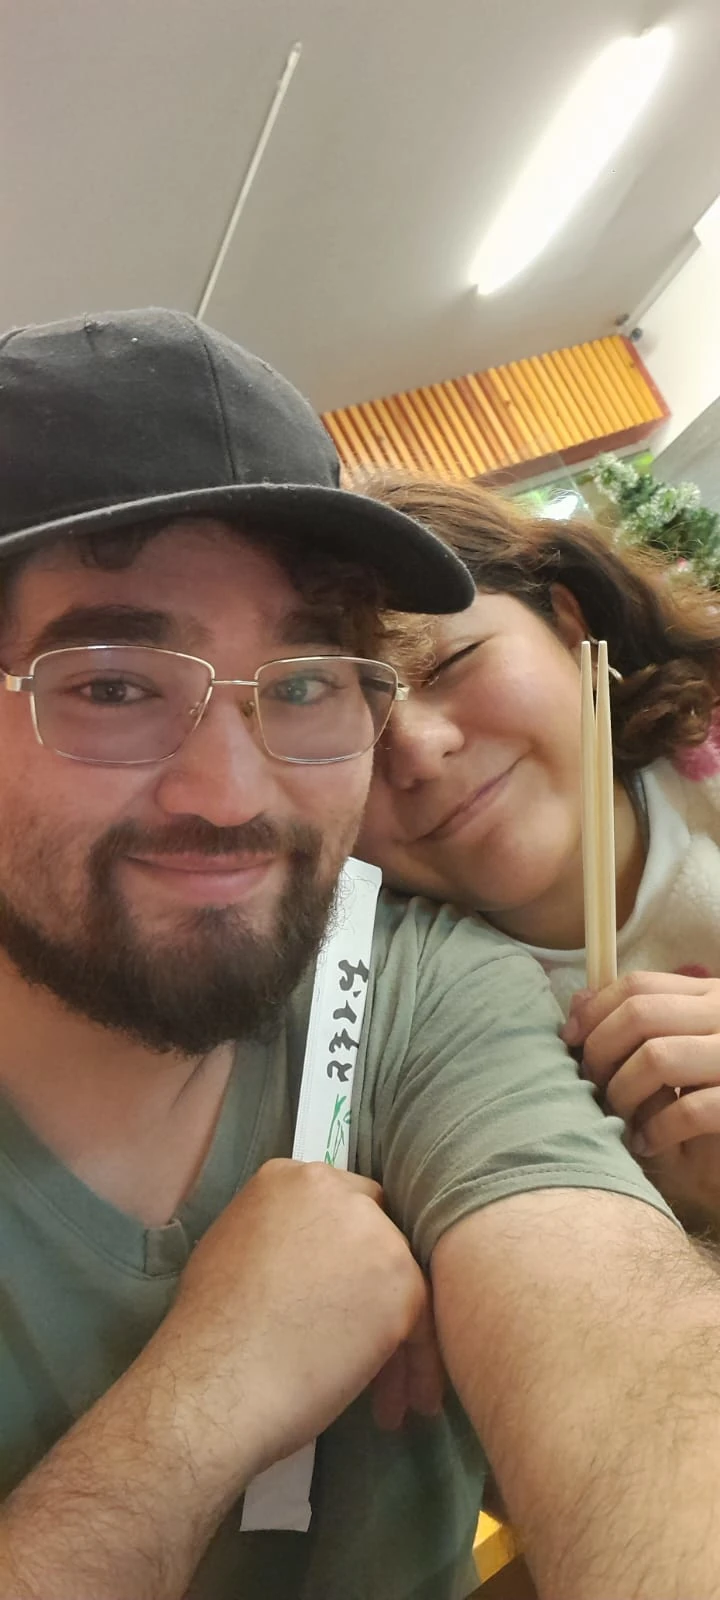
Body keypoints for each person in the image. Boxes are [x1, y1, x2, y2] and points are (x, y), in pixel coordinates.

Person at [2, 314, 720, 1600]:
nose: (232, 794)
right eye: (112, 684)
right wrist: (203, 1396)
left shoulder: (421, 984)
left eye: (303, 682)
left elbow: (632, 1371)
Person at [358, 470, 720, 1235]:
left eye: (449, 664)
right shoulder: (398, 1027)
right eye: (348, 728)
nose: (419, 750)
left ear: (566, 627)